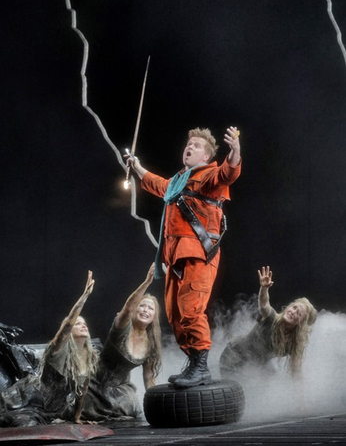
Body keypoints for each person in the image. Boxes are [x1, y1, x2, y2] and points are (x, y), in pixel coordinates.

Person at [126, 126, 241, 388]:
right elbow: (158, 185)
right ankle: (194, 363)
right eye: (188, 144)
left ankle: (201, 367)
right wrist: (137, 167)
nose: (189, 147)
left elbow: (228, 172)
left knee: (191, 311)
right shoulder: (178, 181)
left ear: (206, 156)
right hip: (175, 259)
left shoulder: (210, 175)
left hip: (198, 255)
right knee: (175, 315)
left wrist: (235, 152)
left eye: (197, 145)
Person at [0, 271, 98, 427]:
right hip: (26, 399)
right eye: (78, 323)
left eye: (84, 323)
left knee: (31, 427)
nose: (83, 325)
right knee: (21, 425)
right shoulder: (58, 351)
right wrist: (84, 296)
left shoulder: (88, 359)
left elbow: (83, 391)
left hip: (47, 410)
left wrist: (77, 417)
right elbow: (66, 326)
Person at [81, 262, 162, 421]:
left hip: (120, 391)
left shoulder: (151, 344)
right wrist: (146, 283)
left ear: (154, 317)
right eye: (142, 306)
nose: (145, 310)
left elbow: (149, 378)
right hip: (94, 385)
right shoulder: (122, 326)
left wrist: (157, 406)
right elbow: (128, 308)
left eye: (150, 308)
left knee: (132, 409)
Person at [219, 266, 317, 379]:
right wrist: (264, 288)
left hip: (256, 364)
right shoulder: (271, 318)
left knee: (271, 381)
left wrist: (300, 396)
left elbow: (296, 372)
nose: (293, 312)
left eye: (298, 313)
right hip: (233, 356)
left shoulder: (294, 343)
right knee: (239, 389)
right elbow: (264, 305)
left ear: (300, 324)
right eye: (294, 307)